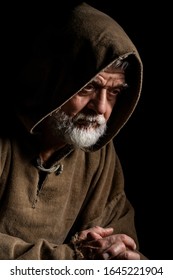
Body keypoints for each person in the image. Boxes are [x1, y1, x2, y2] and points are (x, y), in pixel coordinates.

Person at [0, 2, 147, 260]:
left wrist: (126, 262)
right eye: (88, 88)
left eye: (113, 93)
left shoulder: (98, 154)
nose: (101, 108)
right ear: (54, 81)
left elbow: (121, 243)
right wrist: (73, 259)